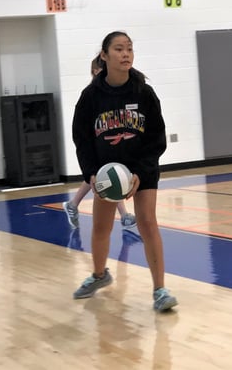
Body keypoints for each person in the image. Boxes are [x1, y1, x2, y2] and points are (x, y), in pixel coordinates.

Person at [72, 31, 178, 312]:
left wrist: (141, 173)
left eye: (129, 49)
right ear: (104, 56)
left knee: (147, 221)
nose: (126, 54)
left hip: (142, 167)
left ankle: (160, 290)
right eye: (118, 49)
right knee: (100, 227)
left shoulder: (143, 92)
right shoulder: (91, 96)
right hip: (107, 171)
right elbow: (81, 139)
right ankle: (99, 275)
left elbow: (157, 137)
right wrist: (92, 173)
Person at [63, 56, 136, 229]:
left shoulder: (113, 92)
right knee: (106, 178)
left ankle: (73, 205)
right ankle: (124, 215)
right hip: (97, 145)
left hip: (113, 145)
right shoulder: (91, 94)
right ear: (96, 71)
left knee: (108, 178)